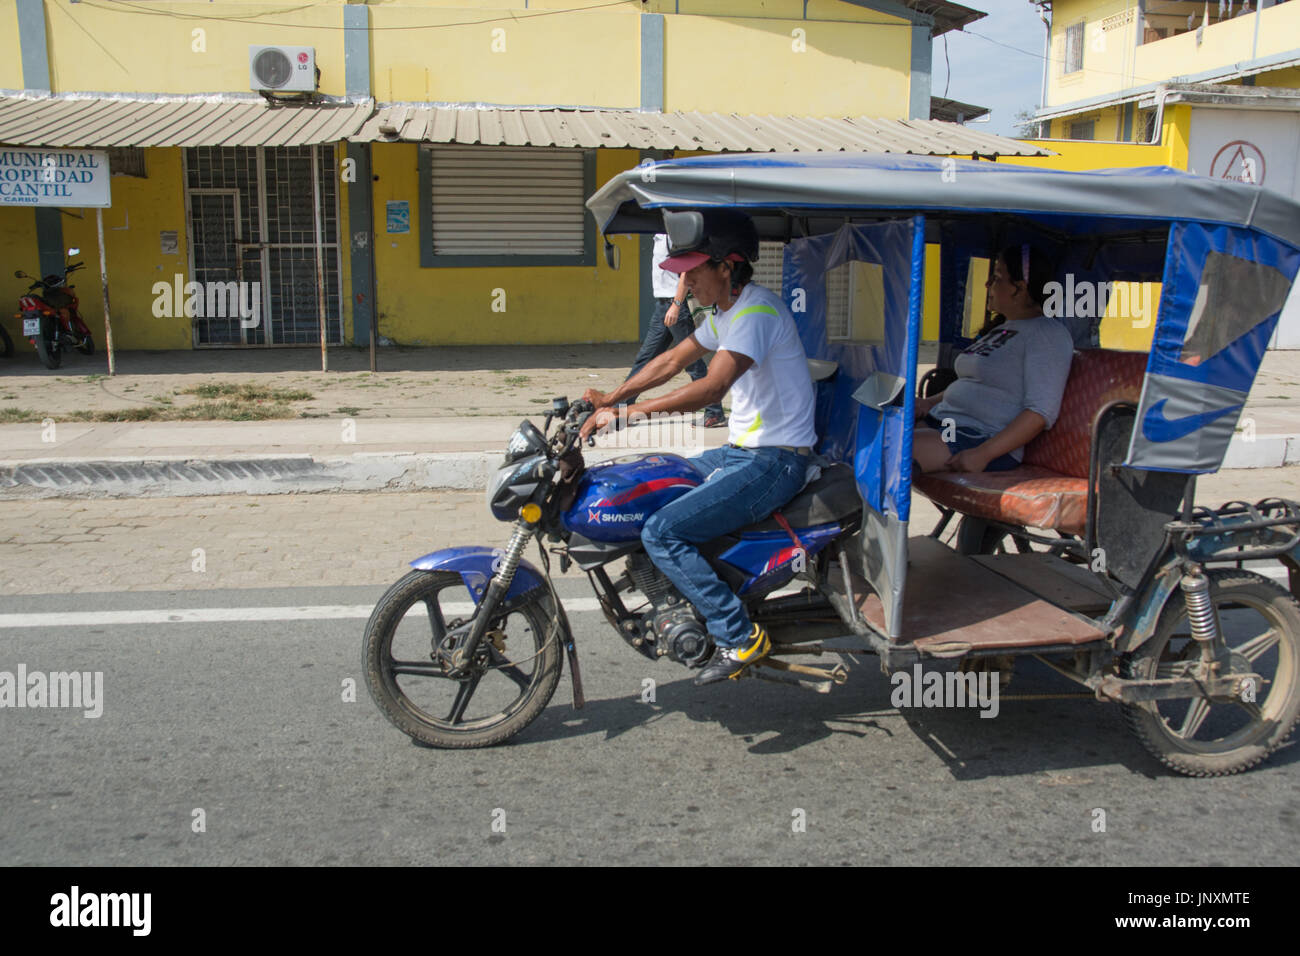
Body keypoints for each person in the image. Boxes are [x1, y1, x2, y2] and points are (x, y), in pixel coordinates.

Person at [579, 210, 816, 685]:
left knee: (664, 530)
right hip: (743, 451)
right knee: (660, 477)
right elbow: (670, 359)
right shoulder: (727, 312)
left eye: (692, 270)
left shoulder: (756, 313)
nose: (683, 281)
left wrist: (628, 416)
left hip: (776, 460)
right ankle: (686, 590)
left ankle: (738, 634)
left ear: (727, 267)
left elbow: (712, 388)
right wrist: (612, 396)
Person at [913, 244, 1074, 474]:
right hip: (945, 422)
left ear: (1020, 288)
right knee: (874, 430)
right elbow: (971, 383)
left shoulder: (1047, 334)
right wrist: (928, 403)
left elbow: (1040, 412)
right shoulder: (1003, 328)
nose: (988, 285)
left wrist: (984, 454)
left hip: (978, 438)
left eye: (997, 278)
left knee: (889, 450)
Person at [619, 234, 727, 428]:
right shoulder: (659, 236)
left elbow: (686, 271)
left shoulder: (673, 235)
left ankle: (714, 412)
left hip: (673, 305)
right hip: (663, 306)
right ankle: (622, 407)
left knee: (692, 362)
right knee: (646, 358)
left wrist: (676, 305)